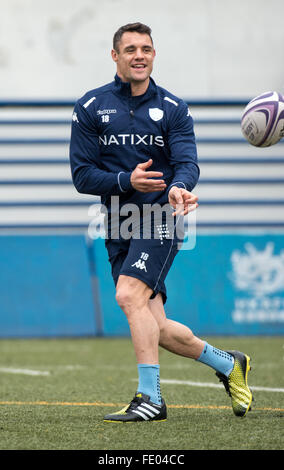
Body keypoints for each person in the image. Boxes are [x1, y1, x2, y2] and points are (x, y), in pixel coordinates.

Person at [69, 22, 253, 422]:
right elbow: (81, 175)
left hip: (160, 215)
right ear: (115, 56)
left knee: (129, 296)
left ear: (154, 55)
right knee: (158, 326)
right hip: (119, 220)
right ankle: (228, 364)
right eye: (131, 49)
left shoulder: (173, 108)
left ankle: (150, 398)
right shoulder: (89, 107)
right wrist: (125, 180)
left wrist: (180, 186)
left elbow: (187, 161)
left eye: (147, 49)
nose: (140, 55)